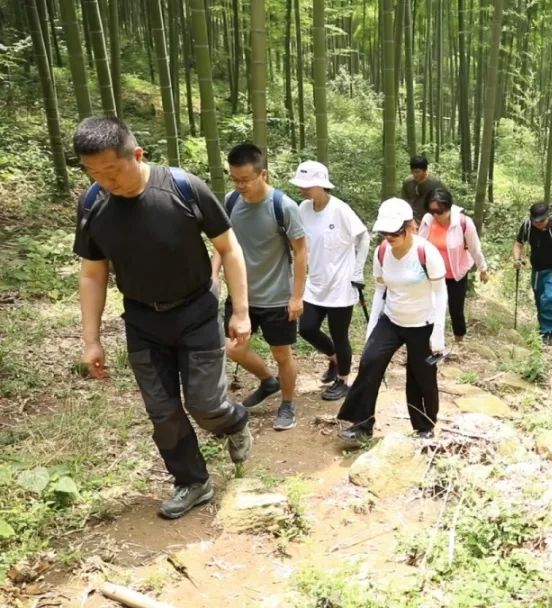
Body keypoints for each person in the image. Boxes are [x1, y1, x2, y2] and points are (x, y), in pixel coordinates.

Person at [73, 116, 252, 519]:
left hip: (197, 311)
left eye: (112, 170)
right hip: (142, 320)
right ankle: (192, 481)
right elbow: (93, 274)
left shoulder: (183, 187)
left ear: (137, 154)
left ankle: (235, 421)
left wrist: (240, 311)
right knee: (163, 411)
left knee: (205, 405)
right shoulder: (93, 203)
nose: (105, 181)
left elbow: (229, 248)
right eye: (93, 173)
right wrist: (91, 339)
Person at [337, 198, 448, 445]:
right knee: (370, 361)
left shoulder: (425, 252)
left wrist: (438, 332)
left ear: (409, 227)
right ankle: (361, 425)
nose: (390, 237)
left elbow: (440, 293)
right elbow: (380, 290)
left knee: (421, 376)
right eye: (385, 233)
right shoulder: (382, 252)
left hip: (423, 323)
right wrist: (371, 328)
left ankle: (424, 427)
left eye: (395, 232)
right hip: (392, 319)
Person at [215, 144, 307, 432]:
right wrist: (213, 274)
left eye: (245, 179)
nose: (239, 185)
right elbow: (222, 244)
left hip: (276, 297)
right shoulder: (231, 202)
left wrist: (297, 296)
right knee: (232, 348)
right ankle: (268, 381)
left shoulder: (283, 206)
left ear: (263, 174)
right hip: (240, 295)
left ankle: (287, 403)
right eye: (234, 179)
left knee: (282, 354)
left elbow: (301, 252)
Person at [291, 160, 369, 402]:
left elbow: (363, 237)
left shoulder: (340, 209)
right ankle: (335, 359)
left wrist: (357, 271)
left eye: (307, 185)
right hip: (315, 283)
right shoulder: (303, 208)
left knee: (339, 334)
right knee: (307, 328)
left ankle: (344, 380)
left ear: (321, 185)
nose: (302, 189)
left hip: (340, 286)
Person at [418, 188, 489, 345]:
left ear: (449, 207)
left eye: (439, 211)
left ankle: (459, 342)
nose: (436, 215)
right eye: (432, 210)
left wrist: (483, 268)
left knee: (456, 309)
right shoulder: (428, 220)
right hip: (432, 275)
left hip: (456, 274)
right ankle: (430, 343)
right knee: (431, 308)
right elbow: (419, 245)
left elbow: (475, 248)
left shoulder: (463, 223)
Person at [513, 203, 552, 346]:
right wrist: (516, 259)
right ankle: (543, 329)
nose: (538, 224)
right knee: (540, 300)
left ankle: (548, 333)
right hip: (537, 268)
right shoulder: (527, 226)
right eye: (535, 221)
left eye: (541, 221)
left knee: (549, 298)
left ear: (547, 216)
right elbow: (518, 244)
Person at [401, 154, 446, 220]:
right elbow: (403, 202)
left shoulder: (436, 184)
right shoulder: (408, 182)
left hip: (430, 220)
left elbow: (446, 203)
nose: (414, 174)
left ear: (425, 170)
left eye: (417, 172)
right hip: (411, 220)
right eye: (412, 172)